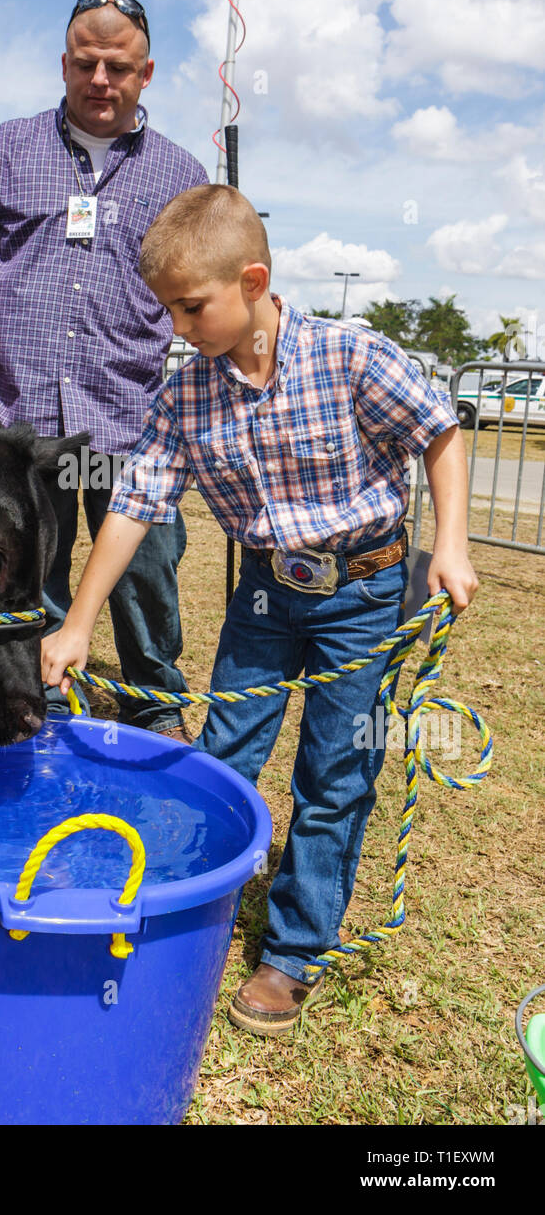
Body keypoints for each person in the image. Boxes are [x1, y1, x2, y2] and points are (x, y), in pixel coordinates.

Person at [41, 183, 478, 1034]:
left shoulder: (351, 356)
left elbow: (440, 429)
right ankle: (185, 900)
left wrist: (451, 544)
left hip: (364, 593)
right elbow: (134, 504)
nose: (176, 327)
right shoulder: (184, 397)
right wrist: (79, 621)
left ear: (252, 280)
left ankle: (292, 952)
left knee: (335, 774)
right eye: (167, 309)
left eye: (189, 307)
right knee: (222, 756)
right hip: (265, 596)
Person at [0, 0, 208, 741]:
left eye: (119, 66)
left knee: (145, 572)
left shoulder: (181, 173)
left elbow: (199, 283)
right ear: (64, 63)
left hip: (128, 415)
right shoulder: (5, 148)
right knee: (22, 571)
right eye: (86, 62)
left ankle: (153, 699)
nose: (101, 78)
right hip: (14, 415)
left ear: (147, 73)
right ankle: (33, 697)